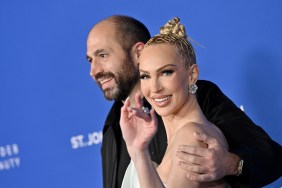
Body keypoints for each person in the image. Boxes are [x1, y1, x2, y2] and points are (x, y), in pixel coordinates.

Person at [86, 15, 282, 188]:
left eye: (103, 55)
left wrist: (233, 164)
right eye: (90, 60)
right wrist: (138, 152)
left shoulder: (200, 97)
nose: (94, 71)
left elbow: (270, 156)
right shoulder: (114, 127)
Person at [120, 17, 230, 187]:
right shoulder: (180, 141)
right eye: (145, 76)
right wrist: (138, 151)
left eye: (166, 72)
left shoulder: (192, 136)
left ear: (192, 75)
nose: (154, 88)